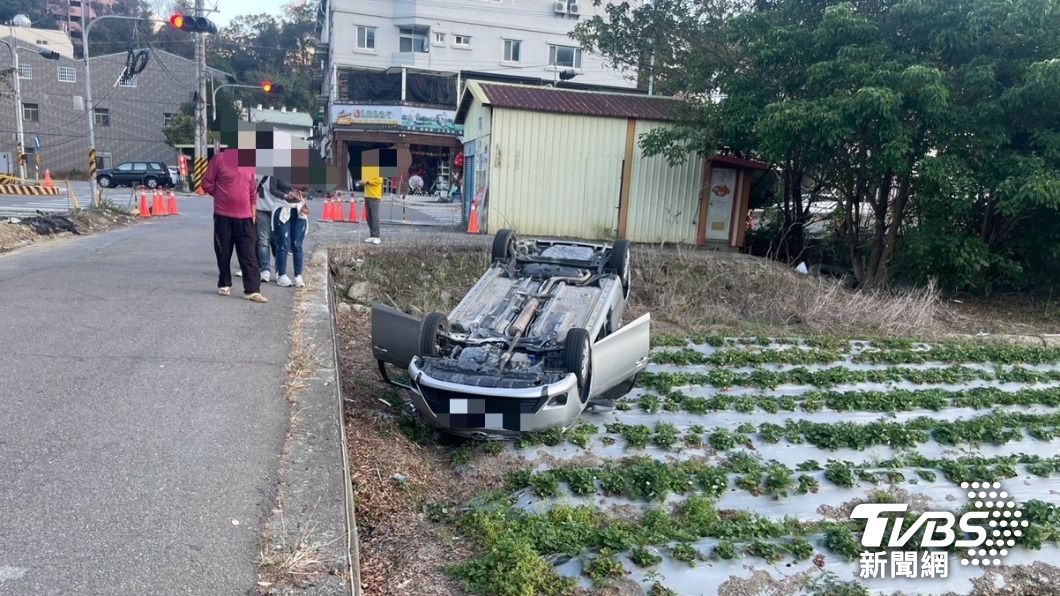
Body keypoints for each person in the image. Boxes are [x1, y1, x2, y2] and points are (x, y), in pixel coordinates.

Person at [202, 148, 267, 303]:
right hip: (223, 215)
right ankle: (224, 282)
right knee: (223, 252)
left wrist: (253, 212)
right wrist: (221, 195)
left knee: (249, 254)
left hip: (246, 217)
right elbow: (206, 183)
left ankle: (252, 290)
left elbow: (252, 191)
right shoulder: (219, 159)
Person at [269, 177, 308, 288]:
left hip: (299, 209)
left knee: (297, 244)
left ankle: (298, 275)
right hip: (282, 207)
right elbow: (272, 189)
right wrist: (286, 195)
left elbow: (308, 190)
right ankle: (281, 274)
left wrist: (300, 194)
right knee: (283, 243)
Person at [360, 174, 384, 244]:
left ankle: (377, 236)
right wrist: (362, 182)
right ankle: (372, 235)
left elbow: (379, 181)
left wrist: (367, 182)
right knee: (368, 217)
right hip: (367, 195)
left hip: (375, 196)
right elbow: (365, 181)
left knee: (374, 217)